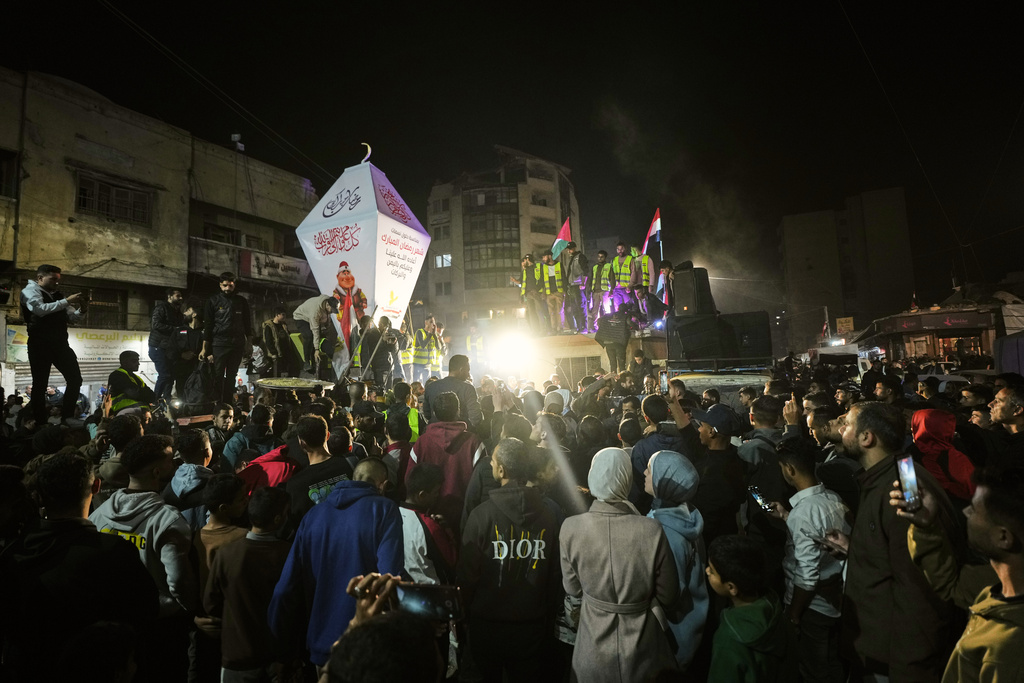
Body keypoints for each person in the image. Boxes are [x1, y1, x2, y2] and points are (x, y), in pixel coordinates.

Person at [0, 451, 160, 683]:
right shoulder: (113, 552)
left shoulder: (14, 554)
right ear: (96, 486)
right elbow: (144, 614)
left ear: (41, 496)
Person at [838, 401, 960, 681]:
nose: (839, 428)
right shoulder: (888, 474)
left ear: (867, 438)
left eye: (846, 423)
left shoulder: (904, 488)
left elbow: (920, 589)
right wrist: (853, 548)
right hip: (878, 652)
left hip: (893, 662)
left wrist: (911, 669)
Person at [269, 458, 404, 671]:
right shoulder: (384, 509)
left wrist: (278, 648)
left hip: (320, 645)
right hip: (365, 646)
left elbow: (285, 588)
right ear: (383, 485)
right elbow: (390, 578)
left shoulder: (313, 515)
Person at [893, 465, 1024, 682]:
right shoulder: (994, 584)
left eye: (974, 509)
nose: (965, 512)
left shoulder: (1009, 652)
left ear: (1003, 537)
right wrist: (926, 526)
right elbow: (951, 584)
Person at [560, 447, 680, 682]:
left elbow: (572, 589)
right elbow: (669, 595)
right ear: (626, 479)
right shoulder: (651, 529)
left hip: (591, 642)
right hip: (642, 645)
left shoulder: (570, 528)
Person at [89, 434, 198, 681]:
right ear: (157, 472)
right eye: (171, 460)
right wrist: (184, 608)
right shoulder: (167, 521)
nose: (176, 463)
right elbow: (179, 582)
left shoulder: (100, 514)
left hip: (113, 622)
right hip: (159, 628)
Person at [459, 437, 562, 681]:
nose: (491, 465)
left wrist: (464, 611)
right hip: (531, 623)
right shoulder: (548, 515)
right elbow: (554, 573)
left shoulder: (481, 516)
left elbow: (467, 573)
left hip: (487, 623)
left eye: (493, 461)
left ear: (501, 470)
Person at [769, 438, 850, 683]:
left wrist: (793, 615)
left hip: (812, 608)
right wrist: (786, 516)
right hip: (837, 600)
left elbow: (807, 576)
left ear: (789, 470)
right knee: (833, 660)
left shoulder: (803, 514)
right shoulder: (833, 498)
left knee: (814, 670)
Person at [204, 486, 294, 683]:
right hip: (277, 656)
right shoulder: (289, 555)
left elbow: (211, 603)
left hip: (237, 654)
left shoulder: (227, 554)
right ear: (278, 519)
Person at [643, 449, 709, 670]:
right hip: (692, 623)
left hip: (674, 636)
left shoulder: (668, 533)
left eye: (651, 470)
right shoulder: (686, 515)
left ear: (665, 481)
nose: (644, 472)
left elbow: (670, 592)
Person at [706, 535, 794, 682]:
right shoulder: (775, 609)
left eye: (713, 571)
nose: (707, 571)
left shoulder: (729, 638)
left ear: (731, 587)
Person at [20, 264, 87, 424]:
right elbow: (40, 310)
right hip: (40, 344)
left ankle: (67, 417)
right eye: (53, 279)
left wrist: (83, 309)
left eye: (58, 280)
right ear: (40, 278)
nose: (56, 283)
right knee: (40, 384)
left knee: (75, 379)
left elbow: (72, 318)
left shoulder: (57, 296)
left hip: (60, 344)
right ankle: (40, 421)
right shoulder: (29, 292)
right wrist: (66, 301)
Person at [408, 391, 486, 524]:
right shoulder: (474, 442)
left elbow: (409, 479)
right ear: (458, 411)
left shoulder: (422, 442)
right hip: (464, 518)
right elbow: (484, 482)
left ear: (434, 413)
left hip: (428, 518)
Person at [282, 415, 354, 531]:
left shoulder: (296, 484)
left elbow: (296, 526)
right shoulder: (349, 465)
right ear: (328, 436)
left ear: (302, 443)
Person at [200, 272, 253, 403]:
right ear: (220, 285)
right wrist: (204, 349)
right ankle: (217, 403)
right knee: (217, 376)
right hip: (219, 344)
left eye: (230, 285)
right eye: (225, 285)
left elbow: (247, 324)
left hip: (237, 344)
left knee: (231, 376)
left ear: (234, 285)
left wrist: (249, 344)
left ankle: (228, 404)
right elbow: (208, 326)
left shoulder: (241, 301)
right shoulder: (213, 301)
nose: (227, 288)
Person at [422, 354, 482, 426]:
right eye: (468, 370)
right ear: (461, 370)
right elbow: (475, 417)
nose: (468, 375)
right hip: (460, 435)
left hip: (435, 433)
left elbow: (427, 414)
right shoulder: (468, 388)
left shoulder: (431, 387)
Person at [149, 288, 185, 402]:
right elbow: (156, 324)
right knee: (165, 375)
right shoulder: (161, 308)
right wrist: (175, 329)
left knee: (170, 376)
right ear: (169, 297)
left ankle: (166, 401)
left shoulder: (178, 313)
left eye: (181, 296)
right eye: (177, 296)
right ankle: (154, 401)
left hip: (170, 348)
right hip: (158, 347)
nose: (180, 298)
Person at [292, 294, 339, 374]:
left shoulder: (328, 305)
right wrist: (317, 349)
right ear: (327, 305)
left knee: (321, 336)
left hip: (313, 318)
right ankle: (306, 362)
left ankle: (317, 361)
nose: (331, 312)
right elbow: (315, 329)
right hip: (301, 318)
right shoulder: (316, 311)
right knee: (309, 336)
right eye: (331, 310)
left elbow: (328, 324)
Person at [107, 350, 156, 416]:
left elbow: (151, 395)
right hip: (124, 414)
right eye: (134, 361)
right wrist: (144, 394)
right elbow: (133, 393)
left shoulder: (137, 378)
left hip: (140, 413)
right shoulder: (116, 375)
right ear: (125, 362)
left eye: (138, 361)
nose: (138, 363)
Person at [358, 316, 399, 388]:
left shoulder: (388, 334)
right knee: (381, 389)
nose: (386, 328)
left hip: (389, 367)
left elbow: (394, 351)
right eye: (384, 325)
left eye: (387, 326)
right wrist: (382, 340)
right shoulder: (373, 334)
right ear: (380, 324)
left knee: (389, 390)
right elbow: (374, 350)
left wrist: (394, 343)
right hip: (379, 368)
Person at [261, 307, 299, 378]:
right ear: (277, 315)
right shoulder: (269, 326)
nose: (284, 317)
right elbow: (268, 340)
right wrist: (273, 353)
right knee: (277, 373)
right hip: (277, 354)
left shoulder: (283, 325)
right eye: (283, 315)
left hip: (285, 352)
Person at [560, 241, 588, 334]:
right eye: (568, 249)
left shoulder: (580, 257)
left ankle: (584, 326)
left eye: (570, 249)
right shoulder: (572, 258)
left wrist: (583, 283)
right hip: (572, 286)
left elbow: (585, 271)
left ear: (574, 248)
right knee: (574, 308)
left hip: (578, 286)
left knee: (581, 307)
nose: (568, 251)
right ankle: (579, 327)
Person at [595, 304, 631, 373]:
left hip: (608, 343)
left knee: (612, 364)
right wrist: (636, 326)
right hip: (619, 343)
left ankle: (614, 380)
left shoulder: (608, 315)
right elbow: (630, 323)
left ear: (617, 309)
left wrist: (606, 329)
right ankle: (622, 379)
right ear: (626, 311)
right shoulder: (625, 316)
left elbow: (599, 320)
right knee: (621, 364)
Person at [412, 314, 446, 384]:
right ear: (426, 323)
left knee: (427, 384)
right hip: (418, 364)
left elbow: (438, 348)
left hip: (428, 365)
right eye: (431, 322)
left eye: (433, 322)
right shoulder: (420, 332)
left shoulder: (434, 334)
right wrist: (430, 334)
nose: (432, 324)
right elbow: (423, 345)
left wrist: (434, 335)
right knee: (416, 383)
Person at [520, 253, 548, 336]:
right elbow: (523, 283)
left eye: (524, 260)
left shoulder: (538, 266)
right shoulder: (525, 270)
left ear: (528, 260)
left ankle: (543, 330)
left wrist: (538, 290)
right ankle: (535, 331)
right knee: (532, 314)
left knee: (539, 311)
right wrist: (523, 295)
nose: (524, 262)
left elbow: (542, 279)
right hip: (528, 294)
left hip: (536, 293)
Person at [586, 250, 613, 333]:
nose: (600, 258)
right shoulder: (594, 267)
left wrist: (612, 290)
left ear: (605, 257)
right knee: (595, 310)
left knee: (607, 309)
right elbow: (590, 279)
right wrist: (590, 289)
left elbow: (612, 279)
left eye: (601, 257)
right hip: (595, 291)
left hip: (605, 291)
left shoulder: (608, 266)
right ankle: (595, 327)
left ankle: (608, 326)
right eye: (598, 257)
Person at [609, 242, 633, 311]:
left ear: (625, 249)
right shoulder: (614, 260)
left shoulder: (630, 259)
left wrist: (630, 285)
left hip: (626, 288)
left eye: (622, 249)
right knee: (617, 308)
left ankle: (630, 320)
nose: (620, 251)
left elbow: (633, 273)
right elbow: (611, 275)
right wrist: (611, 289)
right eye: (618, 249)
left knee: (629, 307)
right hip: (616, 288)